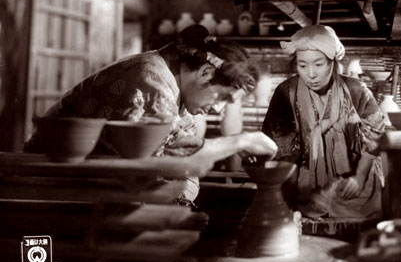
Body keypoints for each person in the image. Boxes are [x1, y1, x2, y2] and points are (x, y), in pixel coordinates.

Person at [24, 24, 277, 207]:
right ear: (205, 73)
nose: (218, 109)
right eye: (223, 97)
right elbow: (173, 149)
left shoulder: (172, 86)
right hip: (53, 188)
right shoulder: (151, 77)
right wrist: (240, 141)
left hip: (88, 186)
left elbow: (184, 149)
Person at [262, 25, 385, 221]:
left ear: (333, 63)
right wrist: (286, 201)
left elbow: (376, 136)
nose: (311, 74)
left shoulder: (356, 90)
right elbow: (280, 150)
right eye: (303, 66)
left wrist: (359, 177)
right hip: (307, 188)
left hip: (352, 185)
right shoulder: (286, 93)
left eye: (319, 64)